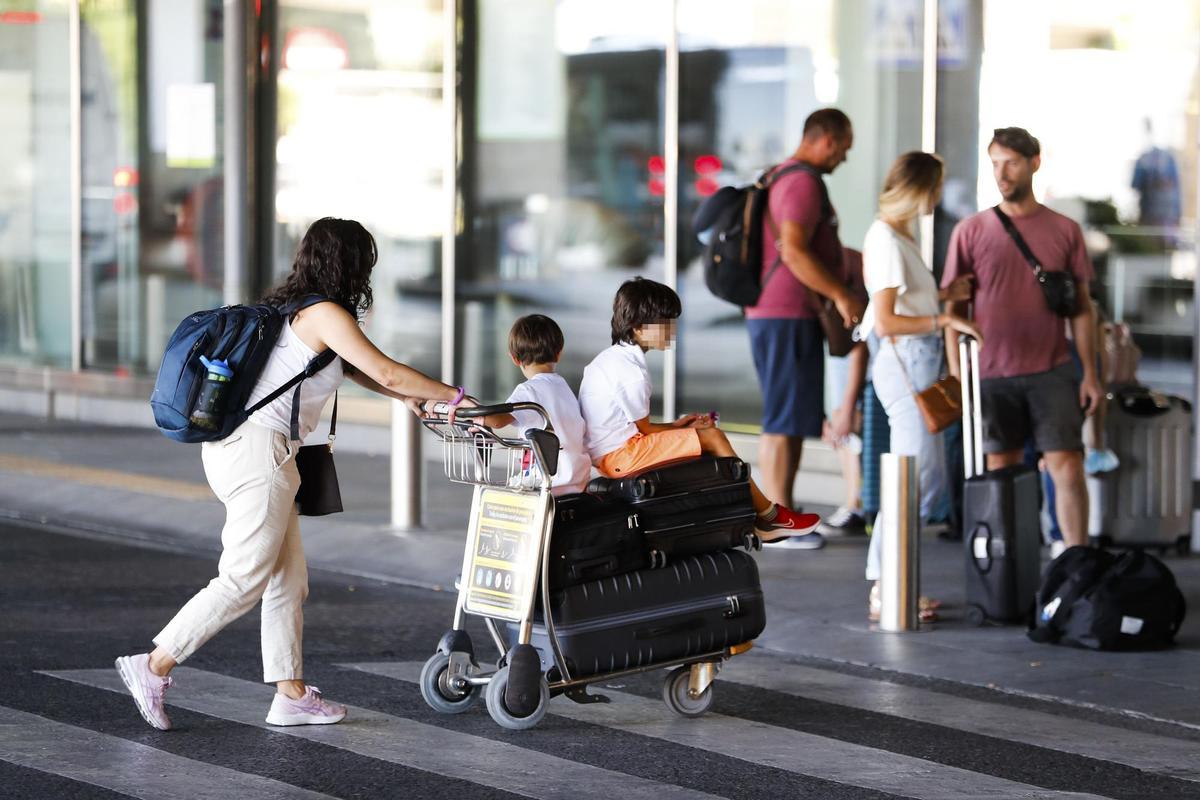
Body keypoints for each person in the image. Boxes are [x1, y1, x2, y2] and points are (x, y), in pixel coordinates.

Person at [115, 217, 473, 731]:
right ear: (351, 264)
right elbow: (388, 370)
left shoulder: (298, 309)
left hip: (248, 451)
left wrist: (414, 399)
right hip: (260, 455)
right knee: (243, 577)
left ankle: (291, 694)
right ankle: (153, 666)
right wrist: (455, 396)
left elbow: (363, 374)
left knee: (288, 579)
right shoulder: (325, 312)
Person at [942, 128, 1103, 550]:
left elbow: (1082, 309)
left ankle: (1076, 559)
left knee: (1066, 465)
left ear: (1034, 162)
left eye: (1011, 162)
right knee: (1003, 469)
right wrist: (959, 377)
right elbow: (952, 314)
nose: (1002, 172)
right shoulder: (971, 231)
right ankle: (1010, 565)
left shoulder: (1065, 231)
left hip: (1051, 368)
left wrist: (1091, 375)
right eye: (995, 163)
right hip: (992, 374)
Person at [579, 277, 823, 546]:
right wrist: (686, 430)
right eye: (665, 323)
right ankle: (768, 514)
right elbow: (644, 431)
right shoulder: (632, 373)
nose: (672, 329)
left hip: (614, 453)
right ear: (638, 328)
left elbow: (636, 427)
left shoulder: (611, 359)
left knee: (706, 435)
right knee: (713, 438)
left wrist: (680, 426)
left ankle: (761, 513)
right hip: (621, 456)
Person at [859, 152, 980, 621]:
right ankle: (887, 584)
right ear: (918, 188)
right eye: (935, 187)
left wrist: (944, 296)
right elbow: (887, 319)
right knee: (914, 477)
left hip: (915, 362)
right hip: (907, 362)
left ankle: (890, 580)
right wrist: (944, 315)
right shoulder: (887, 238)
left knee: (919, 478)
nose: (938, 197)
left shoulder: (899, 237)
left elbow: (906, 299)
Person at [744, 108, 866, 512]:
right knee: (782, 423)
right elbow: (793, 250)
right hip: (786, 312)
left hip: (783, 313)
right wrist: (841, 294)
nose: (843, 159)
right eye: (843, 149)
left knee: (791, 419)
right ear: (827, 139)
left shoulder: (785, 176)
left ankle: (784, 512)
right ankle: (777, 518)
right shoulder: (801, 183)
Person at [480, 314, 591, 495]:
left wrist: (473, 413)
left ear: (515, 359)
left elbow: (498, 420)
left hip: (544, 483)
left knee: (495, 499)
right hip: (575, 481)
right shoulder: (563, 387)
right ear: (559, 353)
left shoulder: (529, 391)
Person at [819, 247, 869, 535]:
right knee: (845, 438)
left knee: (851, 437)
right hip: (839, 378)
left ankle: (856, 505)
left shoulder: (845, 262)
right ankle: (854, 503)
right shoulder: (839, 260)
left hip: (850, 378)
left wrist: (847, 406)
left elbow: (857, 348)